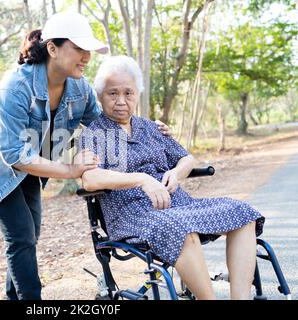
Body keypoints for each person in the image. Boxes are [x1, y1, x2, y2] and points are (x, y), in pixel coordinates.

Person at [0, 12, 170, 300]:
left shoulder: (80, 89)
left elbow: (108, 123)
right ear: (52, 48)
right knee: (21, 235)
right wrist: (72, 169)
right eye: (79, 49)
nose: (86, 57)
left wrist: (148, 127)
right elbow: (12, 153)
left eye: (88, 50)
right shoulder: (15, 86)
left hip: (34, 163)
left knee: (29, 235)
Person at [77, 55, 265, 300]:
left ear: (137, 95)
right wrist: (141, 179)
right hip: (133, 214)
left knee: (242, 212)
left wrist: (176, 173)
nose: (121, 101)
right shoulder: (94, 134)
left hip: (179, 204)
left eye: (128, 93)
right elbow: (90, 179)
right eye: (113, 94)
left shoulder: (151, 128)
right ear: (100, 96)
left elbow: (186, 158)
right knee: (179, 228)